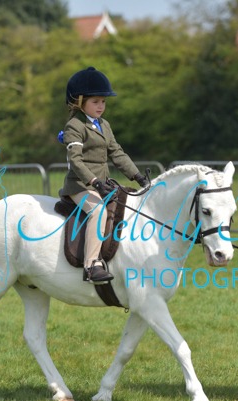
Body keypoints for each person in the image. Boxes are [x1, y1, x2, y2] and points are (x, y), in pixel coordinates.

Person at [59, 66, 149, 283]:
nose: (101, 106)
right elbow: (76, 161)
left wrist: (138, 176)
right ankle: (91, 266)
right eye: (95, 102)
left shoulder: (104, 125)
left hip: (102, 184)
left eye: (103, 101)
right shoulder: (75, 126)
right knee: (98, 211)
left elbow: (116, 153)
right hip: (80, 185)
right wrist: (94, 181)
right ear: (80, 102)